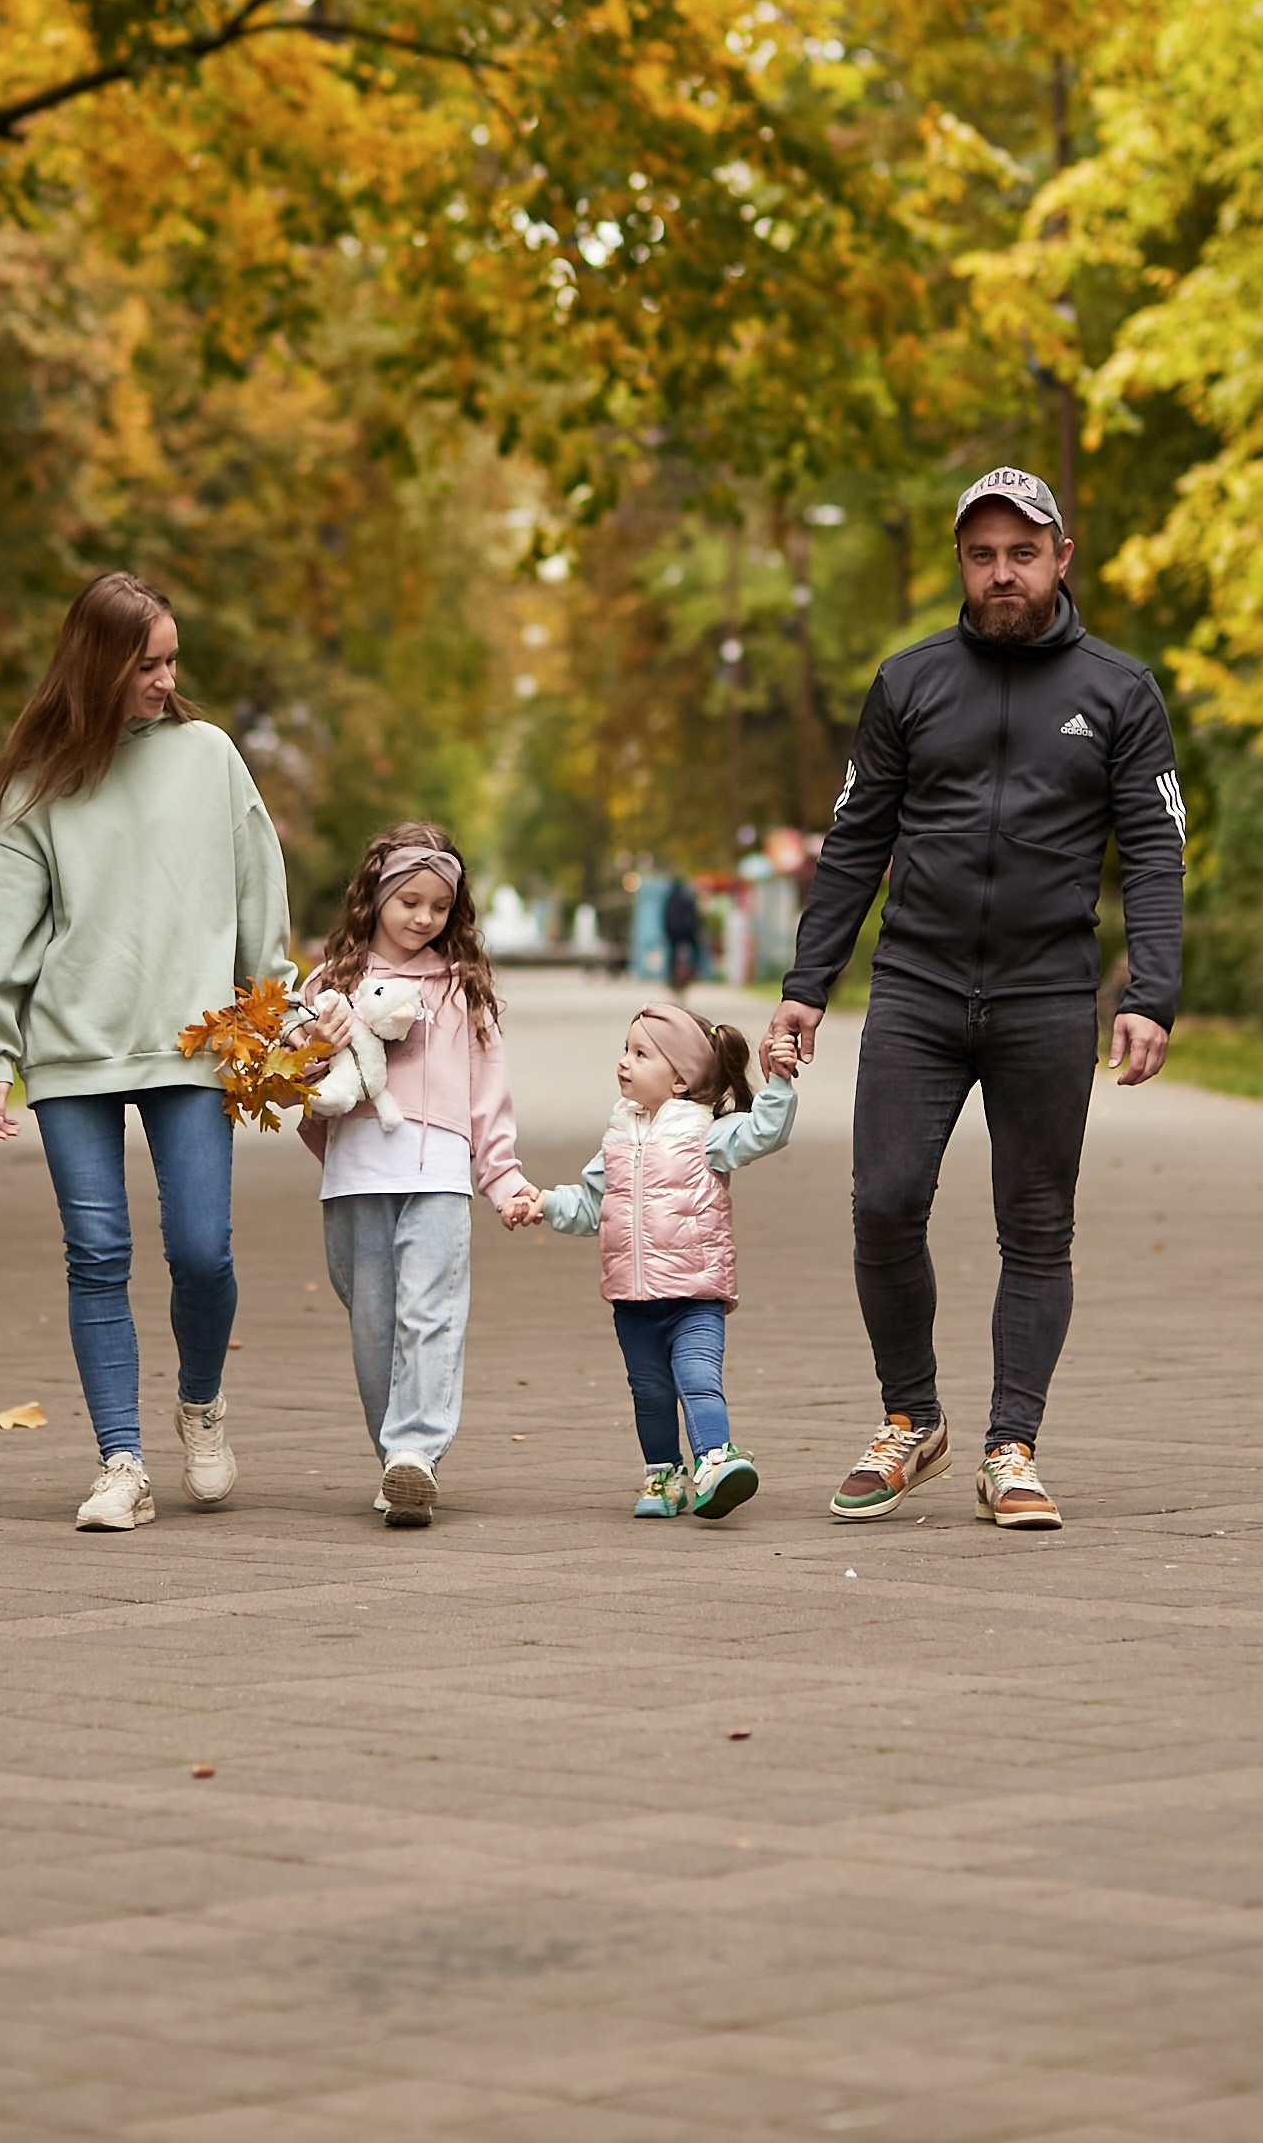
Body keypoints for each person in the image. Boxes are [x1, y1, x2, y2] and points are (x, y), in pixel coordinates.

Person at [764, 467, 1184, 1534]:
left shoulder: (1120, 691)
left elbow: (1153, 854)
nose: (1001, 573)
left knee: (1036, 1225)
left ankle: (1012, 1446)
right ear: (963, 562)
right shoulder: (907, 684)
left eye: (1021, 553)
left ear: (1060, 559)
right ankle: (912, 1419)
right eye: (981, 554)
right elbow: (853, 842)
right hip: (915, 985)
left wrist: (1152, 993)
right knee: (883, 1201)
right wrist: (806, 988)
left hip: (1047, 992)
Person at [0, 573, 296, 1533]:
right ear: (99, 665)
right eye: (147, 664)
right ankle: (121, 1462)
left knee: (201, 1249)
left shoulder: (210, 757)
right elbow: (4, 924)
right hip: (74, 1049)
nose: (165, 679)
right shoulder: (43, 780)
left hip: (194, 1045)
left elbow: (255, 889)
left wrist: (270, 1012)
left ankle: (201, 1404)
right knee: (97, 1252)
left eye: (170, 660)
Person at [298, 823, 529, 1529]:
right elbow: (292, 1085)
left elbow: (488, 1091)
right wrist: (314, 1049)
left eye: (438, 906)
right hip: (357, 1176)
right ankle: (395, 1462)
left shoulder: (463, 990)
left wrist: (504, 1177)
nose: (424, 918)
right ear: (375, 898)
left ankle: (417, 1451)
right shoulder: (330, 985)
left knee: (430, 1315)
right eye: (410, 901)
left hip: (440, 1176)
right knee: (373, 1324)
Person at [505, 1006, 797, 1522]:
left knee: (698, 1377)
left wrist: (778, 1082)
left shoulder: (710, 1134)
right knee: (651, 1394)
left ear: (681, 1080)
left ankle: (715, 1460)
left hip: (695, 1294)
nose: (624, 1063)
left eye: (640, 1054)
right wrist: (545, 1203)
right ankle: (663, 1475)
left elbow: (765, 1132)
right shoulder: (617, 1139)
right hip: (632, 1300)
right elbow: (593, 1206)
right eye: (625, 1049)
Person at [662, 876, 703, 991]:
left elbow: (666, 918)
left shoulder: (670, 899)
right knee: (687, 956)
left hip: (674, 935)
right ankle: (689, 975)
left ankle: (674, 978)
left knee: (674, 956)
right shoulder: (688, 898)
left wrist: (668, 932)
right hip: (686, 935)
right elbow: (694, 917)